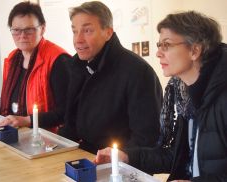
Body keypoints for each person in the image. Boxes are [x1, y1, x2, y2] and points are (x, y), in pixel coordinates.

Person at [95, 11, 227, 181]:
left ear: (195, 50)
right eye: (159, 45)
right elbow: (175, 157)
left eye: (167, 45)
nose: (158, 53)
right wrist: (127, 157)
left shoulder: (221, 97)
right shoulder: (186, 96)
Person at [57, 1, 163, 154]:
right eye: (75, 31)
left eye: (87, 31)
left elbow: (146, 138)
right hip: (82, 159)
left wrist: (116, 162)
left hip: (117, 168)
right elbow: (71, 123)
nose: (78, 39)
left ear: (107, 33)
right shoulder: (78, 65)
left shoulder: (138, 72)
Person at [0, 2, 72, 132]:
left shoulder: (58, 60)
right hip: (19, 133)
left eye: (29, 30)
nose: (22, 36)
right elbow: (11, 102)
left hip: (49, 139)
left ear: (42, 28)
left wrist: (27, 120)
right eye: (16, 30)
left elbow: (67, 112)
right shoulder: (13, 59)